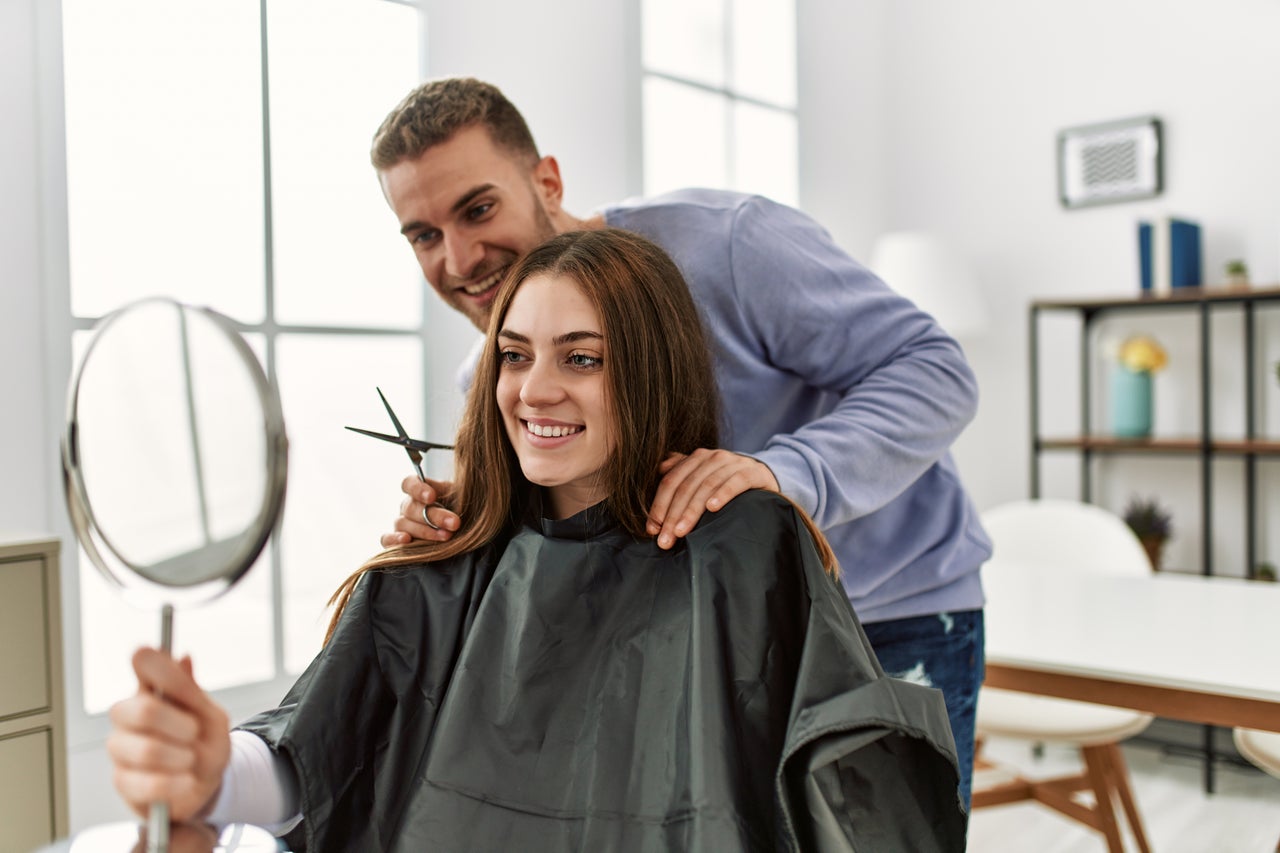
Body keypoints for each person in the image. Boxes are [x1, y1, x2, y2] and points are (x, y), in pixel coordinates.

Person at [108, 229, 967, 851]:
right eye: (514, 356)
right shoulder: (440, 557)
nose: (535, 390)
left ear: (650, 369)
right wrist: (215, 773)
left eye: (582, 358)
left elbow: (846, 780)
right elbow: (319, 753)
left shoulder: (741, 546)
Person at [372, 78, 991, 804]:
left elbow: (935, 369)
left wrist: (779, 473)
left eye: (478, 209)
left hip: (884, 613)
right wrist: (466, 518)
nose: (460, 257)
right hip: (703, 645)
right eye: (424, 234)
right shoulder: (490, 377)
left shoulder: (728, 245)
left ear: (547, 181)